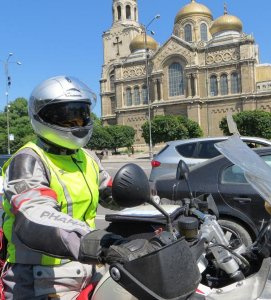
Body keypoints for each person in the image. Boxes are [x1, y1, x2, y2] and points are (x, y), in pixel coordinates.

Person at [1, 76, 156, 299]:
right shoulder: (29, 159)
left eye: (82, 117)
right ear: (42, 118)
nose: (78, 125)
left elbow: (109, 191)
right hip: (40, 280)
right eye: (68, 119)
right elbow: (33, 215)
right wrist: (100, 243)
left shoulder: (86, 157)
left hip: (88, 269)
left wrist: (156, 190)